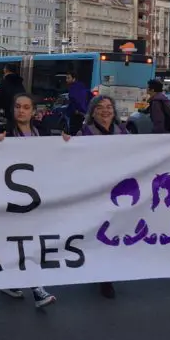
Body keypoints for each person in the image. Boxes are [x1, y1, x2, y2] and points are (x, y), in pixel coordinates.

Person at [63, 95, 126, 299]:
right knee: (99, 231)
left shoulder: (125, 133)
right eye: (100, 107)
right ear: (93, 112)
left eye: (109, 107)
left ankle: (107, 273)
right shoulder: (84, 133)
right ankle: (100, 273)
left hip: (118, 191)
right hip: (95, 191)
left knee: (114, 230)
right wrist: (66, 143)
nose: (106, 111)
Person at [0, 93, 56, 308]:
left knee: (26, 240)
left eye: (26, 107)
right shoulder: (3, 132)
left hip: (37, 195)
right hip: (12, 196)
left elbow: (55, 154)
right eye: (18, 107)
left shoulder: (42, 132)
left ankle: (10, 281)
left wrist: (66, 143)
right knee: (23, 241)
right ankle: (36, 288)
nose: (21, 111)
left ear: (33, 111)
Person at [0, 63, 25, 128]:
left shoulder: (5, 81)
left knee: (11, 126)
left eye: (4, 68)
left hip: (10, 109)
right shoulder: (19, 82)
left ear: (6, 70)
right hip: (19, 108)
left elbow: (1, 97)